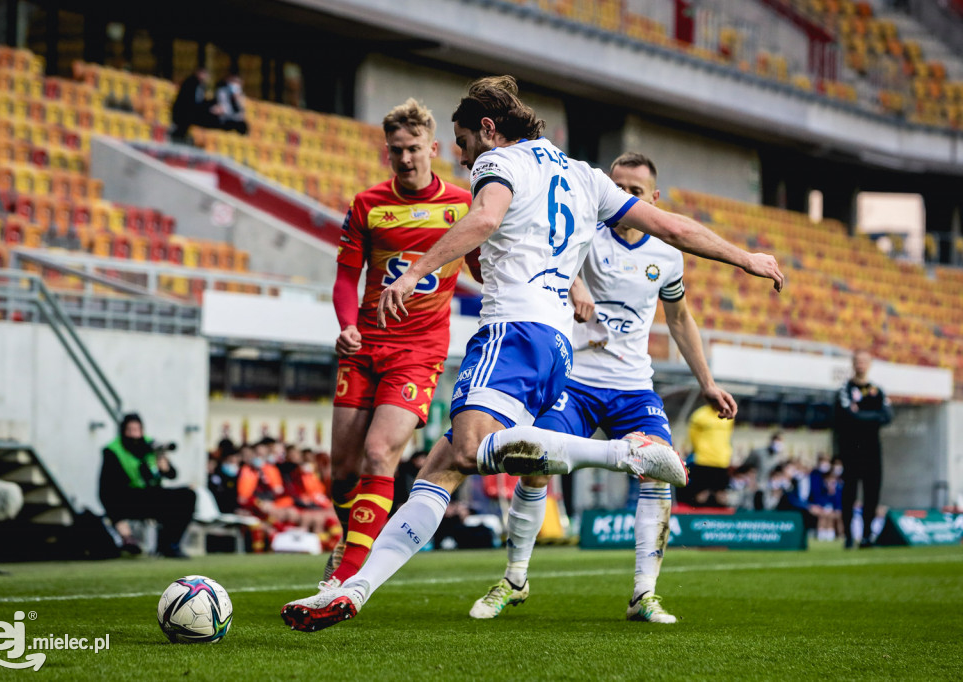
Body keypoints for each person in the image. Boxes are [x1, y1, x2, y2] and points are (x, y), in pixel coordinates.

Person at [282, 75, 783, 632]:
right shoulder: (583, 175)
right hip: (557, 346)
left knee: (468, 450)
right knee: (440, 468)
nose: (460, 153)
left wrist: (417, 271)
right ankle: (353, 591)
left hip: (511, 332)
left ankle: (625, 455)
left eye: (463, 140)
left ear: (489, 130)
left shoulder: (498, 165)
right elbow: (670, 226)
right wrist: (744, 257)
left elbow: (486, 218)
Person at [467, 152, 737, 624]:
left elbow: (678, 318)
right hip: (577, 381)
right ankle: (514, 579)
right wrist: (574, 285)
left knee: (660, 471)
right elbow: (546, 256)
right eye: (619, 187)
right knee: (534, 464)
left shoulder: (666, 255)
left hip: (634, 386)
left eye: (635, 191)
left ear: (652, 198)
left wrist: (708, 383)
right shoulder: (585, 232)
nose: (625, 197)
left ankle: (643, 595)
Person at [321, 98, 474, 587]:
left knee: (379, 453)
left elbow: (482, 269)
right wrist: (346, 324)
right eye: (395, 151)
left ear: (433, 147)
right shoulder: (367, 205)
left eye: (413, 150)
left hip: (420, 352)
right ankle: (354, 541)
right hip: (364, 348)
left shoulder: (462, 205)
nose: (405, 159)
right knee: (342, 473)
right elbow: (346, 278)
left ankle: (345, 578)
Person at [98, 413, 195, 558]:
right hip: (128, 499)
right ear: (123, 431)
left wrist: (165, 467)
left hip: (152, 495)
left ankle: (170, 545)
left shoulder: (152, 445)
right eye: (130, 430)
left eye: (138, 430)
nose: (135, 434)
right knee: (117, 496)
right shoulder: (113, 450)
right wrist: (118, 521)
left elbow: (173, 475)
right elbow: (107, 490)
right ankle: (129, 541)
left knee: (187, 496)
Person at [833, 349, 893, 549]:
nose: (861, 364)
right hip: (851, 450)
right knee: (849, 494)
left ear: (870, 363)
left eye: (864, 361)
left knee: (872, 494)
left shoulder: (878, 390)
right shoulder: (845, 389)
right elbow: (847, 416)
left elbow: (888, 417)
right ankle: (849, 536)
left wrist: (862, 414)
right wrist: (873, 415)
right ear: (853, 363)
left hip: (873, 450)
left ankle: (867, 536)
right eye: (858, 361)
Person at [678, 404, 736, 507]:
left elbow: (728, 437)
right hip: (703, 460)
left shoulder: (728, 415)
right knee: (701, 494)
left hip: (722, 462)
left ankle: (720, 521)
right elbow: (692, 437)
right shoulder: (700, 415)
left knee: (721, 495)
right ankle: (698, 520)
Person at [170, 67, 223, 142]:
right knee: (212, 118)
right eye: (205, 74)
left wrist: (213, 105)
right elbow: (191, 103)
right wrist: (209, 109)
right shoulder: (191, 83)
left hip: (192, 110)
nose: (206, 77)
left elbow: (200, 102)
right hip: (184, 112)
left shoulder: (200, 86)